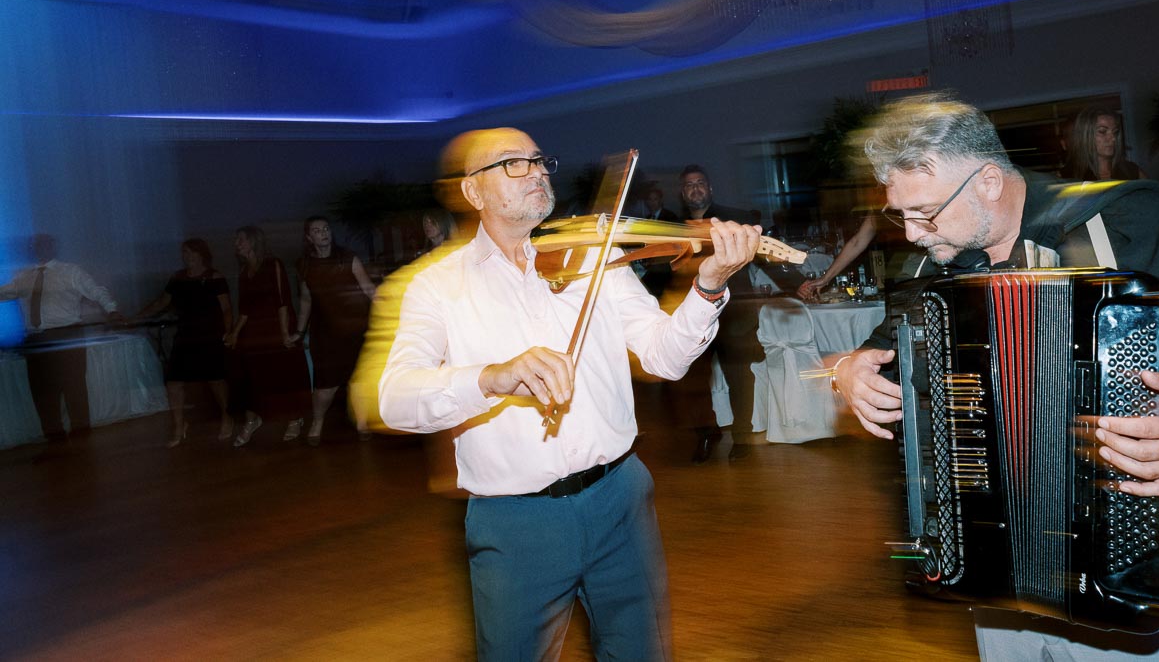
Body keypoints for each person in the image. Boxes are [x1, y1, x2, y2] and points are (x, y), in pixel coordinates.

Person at [831, 92, 1159, 660]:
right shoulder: (939, 266)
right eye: (902, 216)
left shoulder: (1130, 218)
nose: (914, 233)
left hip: (1142, 555)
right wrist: (847, 372)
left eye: (926, 212)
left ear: (989, 182)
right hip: (1000, 574)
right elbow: (883, 352)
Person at [377, 128, 759, 661]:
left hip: (620, 498)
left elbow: (663, 356)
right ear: (473, 192)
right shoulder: (435, 287)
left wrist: (709, 284)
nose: (535, 171)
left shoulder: (590, 259)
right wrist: (492, 377)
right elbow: (395, 398)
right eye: (512, 164)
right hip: (516, 524)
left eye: (538, 160)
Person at [0, 234, 122, 443]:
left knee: (73, 387)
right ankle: (54, 438)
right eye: (35, 245)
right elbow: (5, 292)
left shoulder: (70, 271)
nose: (38, 248)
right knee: (42, 391)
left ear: (53, 247)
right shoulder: (24, 276)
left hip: (66, 334)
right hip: (36, 339)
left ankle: (82, 437)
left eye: (43, 244)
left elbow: (96, 291)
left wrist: (112, 310)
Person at [676, 163, 760, 462]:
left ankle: (743, 438)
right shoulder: (674, 228)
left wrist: (799, 282)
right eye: (689, 185)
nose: (695, 188)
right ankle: (707, 433)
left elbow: (761, 255)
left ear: (710, 188)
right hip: (693, 315)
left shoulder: (732, 220)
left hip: (733, 314)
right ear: (683, 192)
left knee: (739, 378)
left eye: (700, 183)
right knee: (692, 381)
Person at [134, 239, 232, 446]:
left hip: (209, 336)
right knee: (174, 381)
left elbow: (226, 308)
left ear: (201, 254)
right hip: (186, 336)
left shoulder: (214, 277)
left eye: (190, 252)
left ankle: (226, 416)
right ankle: (179, 425)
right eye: (184, 252)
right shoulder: (178, 278)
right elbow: (162, 302)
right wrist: (136, 317)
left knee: (215, 379)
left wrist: (229, 332)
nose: (186, 256)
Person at [287, 216, 376, 445]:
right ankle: (317, 422)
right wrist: (299, 331)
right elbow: (306, 300)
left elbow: (369, 289)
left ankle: (362, 422)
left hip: (355, 330)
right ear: (309, 237)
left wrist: (393, 313)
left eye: (326, 228)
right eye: (317, 230)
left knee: (357, 380)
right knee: (326, 385)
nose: (323, 233)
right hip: (325, 334)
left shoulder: (348, 258)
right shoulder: (304, 265)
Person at [224, 225, 309, 446]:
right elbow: (244, 308)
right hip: (254, 331)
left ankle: (294, 417)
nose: (236, 244)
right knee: (250, 375)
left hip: (276, 327)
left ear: (252, 241)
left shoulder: (274, 264)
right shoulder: (244, 273)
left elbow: (283, 301)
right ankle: (252, 419)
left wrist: (284, 335)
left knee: (284, 374)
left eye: (240, 239)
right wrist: (234, 333)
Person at [1062, 106, 1147, 181]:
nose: (1113, 138)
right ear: (1086, 135)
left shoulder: (1132, 171)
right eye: (1102, 131)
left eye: (1115, 132)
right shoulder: (1069, 177)